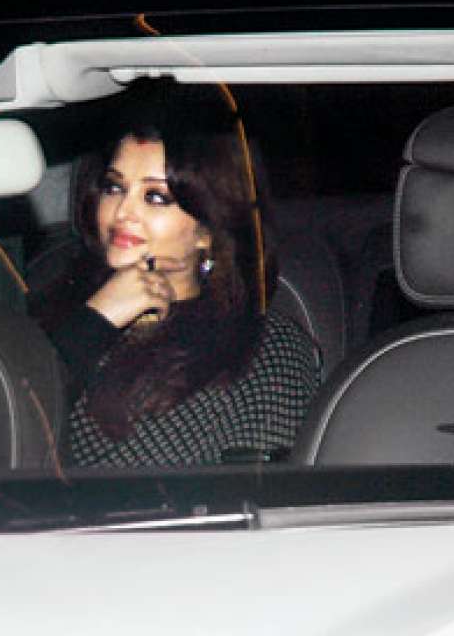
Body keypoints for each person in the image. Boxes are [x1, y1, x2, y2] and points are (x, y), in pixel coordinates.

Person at [31, 84, 320, 467]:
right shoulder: (52, 308)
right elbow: (13, 429)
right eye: (115, 187)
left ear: (208, 229)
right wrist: (96, 320)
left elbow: (258, 487)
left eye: (155, 197)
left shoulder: (262, 347)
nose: (122, 212)